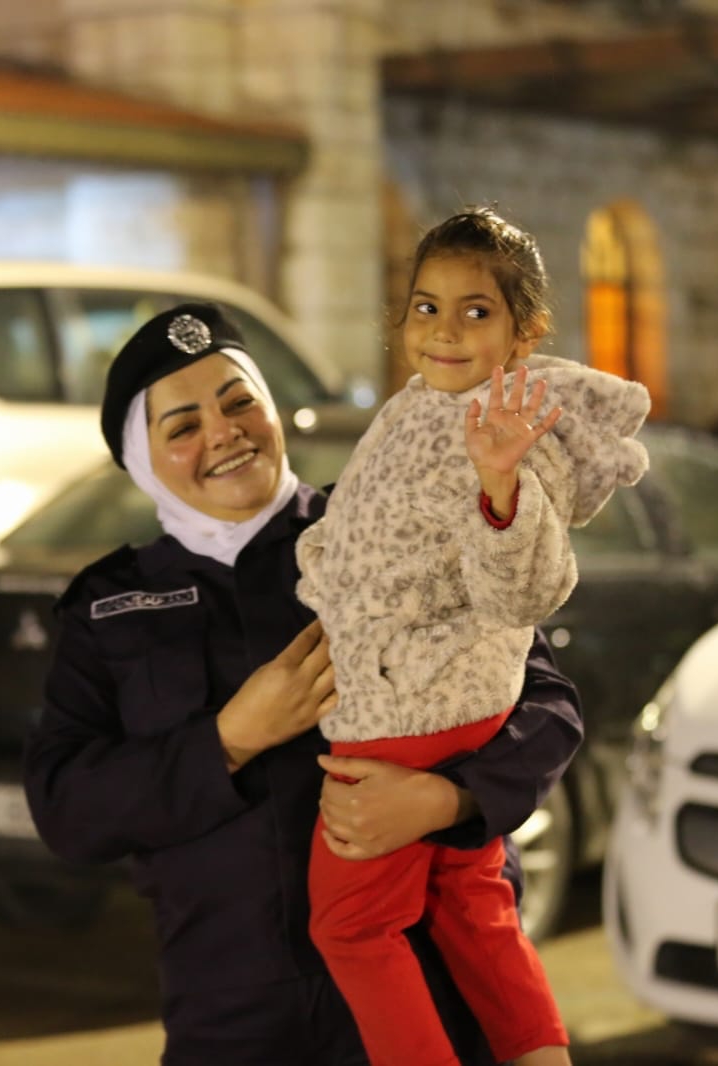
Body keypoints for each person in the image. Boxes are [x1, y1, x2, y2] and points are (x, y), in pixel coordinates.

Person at [22, 299, 584, 1066]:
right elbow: (67, 809)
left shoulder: (390, 524)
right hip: (236, 1018)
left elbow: (545, 703)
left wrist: (448, 800)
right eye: (182, 426)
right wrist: (229, 739)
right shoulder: (108, 606)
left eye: (239, 402)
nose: (223, 433)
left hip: (423, 1000)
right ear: (141, 460)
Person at [296, 208, 650, 1066]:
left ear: (525, 333)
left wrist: (500, 487)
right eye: (426, 307)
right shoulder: (416, 407)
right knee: (470, 898)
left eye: (476, 311)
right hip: (437, 694)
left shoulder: (510, 426)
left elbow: (522, 592)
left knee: (350, 924)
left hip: (410, 703)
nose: (445, 331)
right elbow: (366, 530)